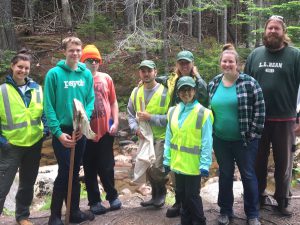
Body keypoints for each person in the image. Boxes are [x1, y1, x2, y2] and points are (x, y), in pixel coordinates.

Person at [244, 15, 300, 216]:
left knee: (284, 163)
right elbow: (245, 86)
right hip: (258, 119)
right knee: (257, 161)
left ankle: (282, 200)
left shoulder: (295, 56)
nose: (273, 31)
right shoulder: (255, 55)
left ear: (283, 32)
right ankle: (257, 196)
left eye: (277, 28)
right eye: (270, 28)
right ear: (264, 31)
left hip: (285, 120)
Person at [209, 44, 265, 225]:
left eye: (231, 61)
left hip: (245, 140)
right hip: (220, 140)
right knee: (225, 174)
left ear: (237, 63)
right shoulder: (214, 83)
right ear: (220, 63)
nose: (227, 64)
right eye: (224, 61)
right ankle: (225, 211)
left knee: (248, 175)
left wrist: (253, 133)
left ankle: (252, 214)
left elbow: (260, 109)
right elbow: (207, 111)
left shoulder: (249, 83)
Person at [44, 37, 95, 225]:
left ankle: (73, 211)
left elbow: (90, 100)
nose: (75, 53)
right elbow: (48, 106)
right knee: (65, 170)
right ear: (64, 51)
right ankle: (55, 215)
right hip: (62, 131)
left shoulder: (86, 75)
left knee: (75, 171)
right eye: (71, 50)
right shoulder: (54, 74)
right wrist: (57, 133)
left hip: (79, 129)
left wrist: (83, 123)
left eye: (78, 50)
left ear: (81, 52)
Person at [156, 50, 209, 217]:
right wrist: (146, 81)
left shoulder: (198, 83)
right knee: (176, 175)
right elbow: (159, 78)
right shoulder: (172, 79)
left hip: (192, 130)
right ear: (177, 64)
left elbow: (205, 104)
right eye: (181, 63)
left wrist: (205, 162)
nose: (184, 66)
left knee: (191, 189)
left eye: (187, 63)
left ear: (193, 63)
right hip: (175, 125)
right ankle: (179, 203)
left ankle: (191, 210)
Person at [0, 50, 49, 225]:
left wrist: (46, 129)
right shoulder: (2, 91)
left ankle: (22, 217)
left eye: (26, 68)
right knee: (3, 185)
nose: (23, 70)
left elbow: (43, 111)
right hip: (11, 146)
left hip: (34, 144)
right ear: (12, 67)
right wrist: (3, 141)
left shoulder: (36, 88)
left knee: (27, 184)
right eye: (20, 67)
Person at [163, 76, 213, 225]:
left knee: (192, 196)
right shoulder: (172, 111)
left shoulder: (203, 113)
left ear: (195, 91)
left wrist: (205, 164)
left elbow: (207, 142)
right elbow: (168, 138)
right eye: (182, 90)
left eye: (189, 89)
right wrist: (167, 159)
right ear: (178, 93)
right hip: (178, 164)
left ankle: (199, 220)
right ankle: (186, 221)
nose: (186, 93)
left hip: (193, 165)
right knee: (182, 195)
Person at [80, 45, 121, 215]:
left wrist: (116, 121)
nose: (94, 63)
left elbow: (113, 101)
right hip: (86, 132)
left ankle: (112, 196)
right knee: (89, 167)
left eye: (96, 60)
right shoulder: (80, 80)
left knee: (107, 166)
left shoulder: (106, 78)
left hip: (105, 131)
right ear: (83, 61)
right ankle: (94, 201)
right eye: (90, 60)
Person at [128, 60, 171, 208]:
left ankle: (161, 193)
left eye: (149, 71)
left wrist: (150, 117)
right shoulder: (136, 92)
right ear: (140, 73)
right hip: (144, 137)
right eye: (143, 71)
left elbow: (171, 117)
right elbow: (130, 113)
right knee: (147, 166)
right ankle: (154, 196)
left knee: (158, 168)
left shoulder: (166, 92)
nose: (146, 74)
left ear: (155, 72)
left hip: (161, 136)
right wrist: (135, 128)